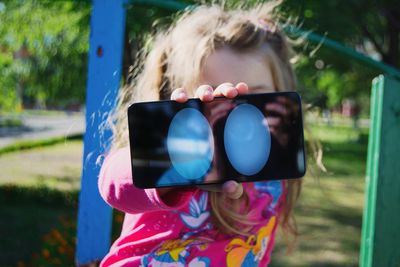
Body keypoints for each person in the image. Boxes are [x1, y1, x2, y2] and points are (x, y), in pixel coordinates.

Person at [98, 2, 302, 266]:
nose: (236, 117)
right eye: (214, 100)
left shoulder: (275, 174)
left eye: (254, 99)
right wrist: (174, 160)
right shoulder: (172, 162)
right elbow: (112, 182)